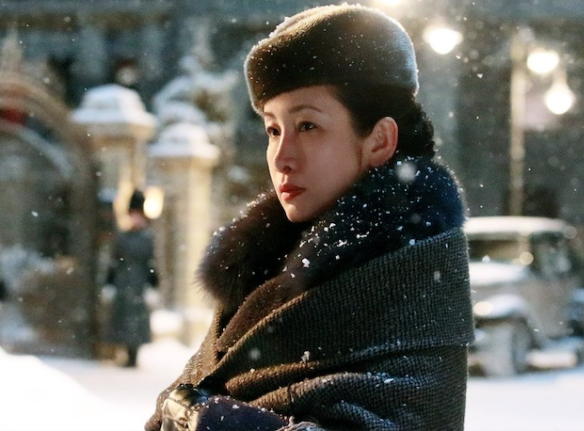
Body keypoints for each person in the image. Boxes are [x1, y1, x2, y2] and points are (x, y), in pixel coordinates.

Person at [147, 4, 474, 431]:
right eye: (273, 129)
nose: (281, 157)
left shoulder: (414, 276)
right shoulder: (262, 269)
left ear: (379, 140)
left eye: (307, 126)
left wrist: (212, 418)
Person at [104, 190, 159, 367]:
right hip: (123, 281)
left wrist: (153, 285)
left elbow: (151, 263)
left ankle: (133, 355)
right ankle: (123, 353)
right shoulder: (122, 236)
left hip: (139, 282)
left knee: (136, 321)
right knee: (122, 319)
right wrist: (109, 282)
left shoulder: (147, 238)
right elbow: (114, 261)